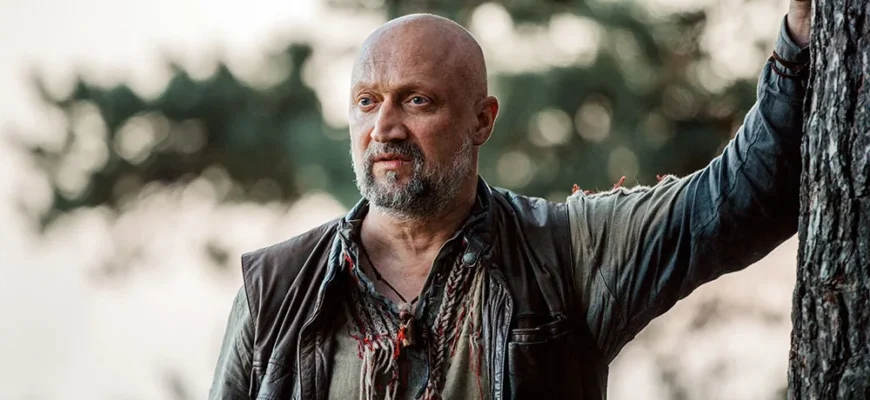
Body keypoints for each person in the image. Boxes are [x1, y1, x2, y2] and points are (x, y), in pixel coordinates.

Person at [209, 1, 811, 398]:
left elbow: (742, 199)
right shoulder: (277, 291)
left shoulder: (566, 253)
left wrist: (797, 42)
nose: (384, 127)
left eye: (417, 101)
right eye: (367, 102)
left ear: (482, 120)